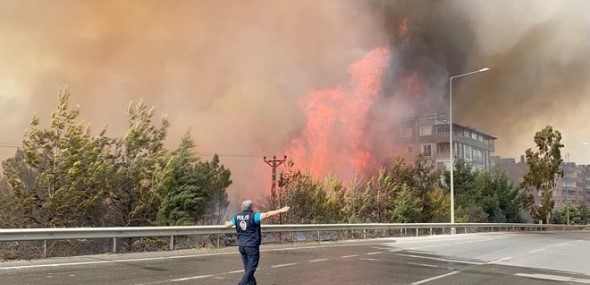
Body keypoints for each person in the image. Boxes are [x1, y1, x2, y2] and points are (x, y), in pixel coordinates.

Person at [224, 200, 290, 285]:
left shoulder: (237, 217)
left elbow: (227, 225)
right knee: (251, 269)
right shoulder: (254, 216)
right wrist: (281, 210)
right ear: (251, 207)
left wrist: (226, 222)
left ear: (242, 207)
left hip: (241, 246)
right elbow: (267, 214)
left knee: (248, 269)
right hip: (252, 246)